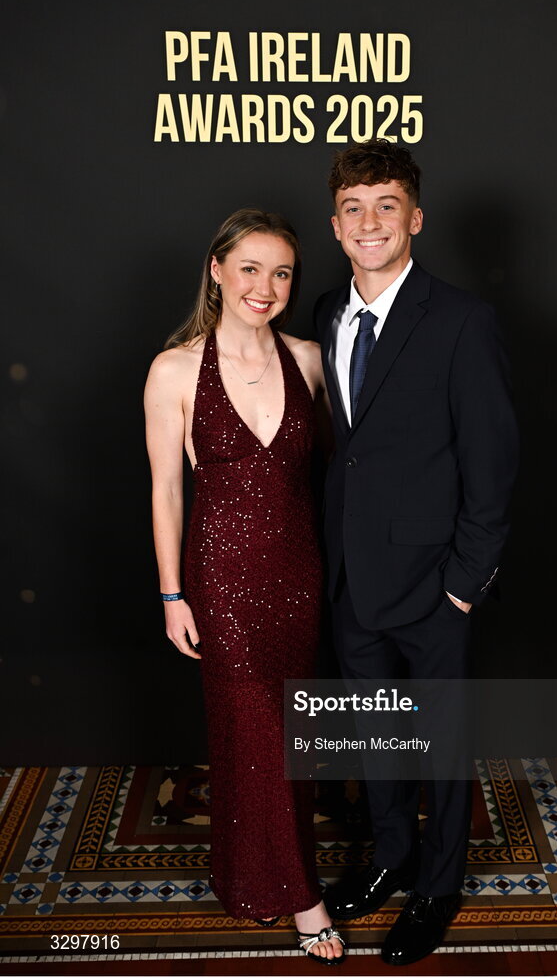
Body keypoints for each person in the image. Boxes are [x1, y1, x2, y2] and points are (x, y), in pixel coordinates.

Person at [314, 140, 519, 966]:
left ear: (415, 218)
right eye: (355, 209)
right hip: (350, 579)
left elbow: (492, 461)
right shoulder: (326, 310)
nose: (370, 222)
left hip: (435, 582)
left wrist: (464, 584)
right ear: (335, 225)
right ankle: (392, 859)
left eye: (386, 206)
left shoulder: (463, 320)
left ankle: (437, 885)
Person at [144, 208, 344, 964]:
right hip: (220, 577)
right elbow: (166, 489)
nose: (265, 286)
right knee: (256, 724)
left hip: (298, 572)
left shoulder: (310, 358)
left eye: (282, 272)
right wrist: (172, 595)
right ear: (217, 269)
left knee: (276, 736)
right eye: (251, 268)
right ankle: (303, 897)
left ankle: (244, 875)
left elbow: (342, 471)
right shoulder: (173, 369)